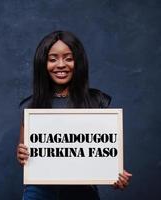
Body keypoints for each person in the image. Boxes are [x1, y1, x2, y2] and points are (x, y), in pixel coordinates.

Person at [16, 30, 132, 200]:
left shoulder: (96, 101)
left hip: (82, 193)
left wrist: (114, 173)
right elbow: (24, 155)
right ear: (43, 63)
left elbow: (104, 151)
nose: (61, 64)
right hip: (39, 192)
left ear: (78, 63)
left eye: (68, 58)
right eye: (53, 59)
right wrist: (22, 155)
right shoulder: (31, 106)